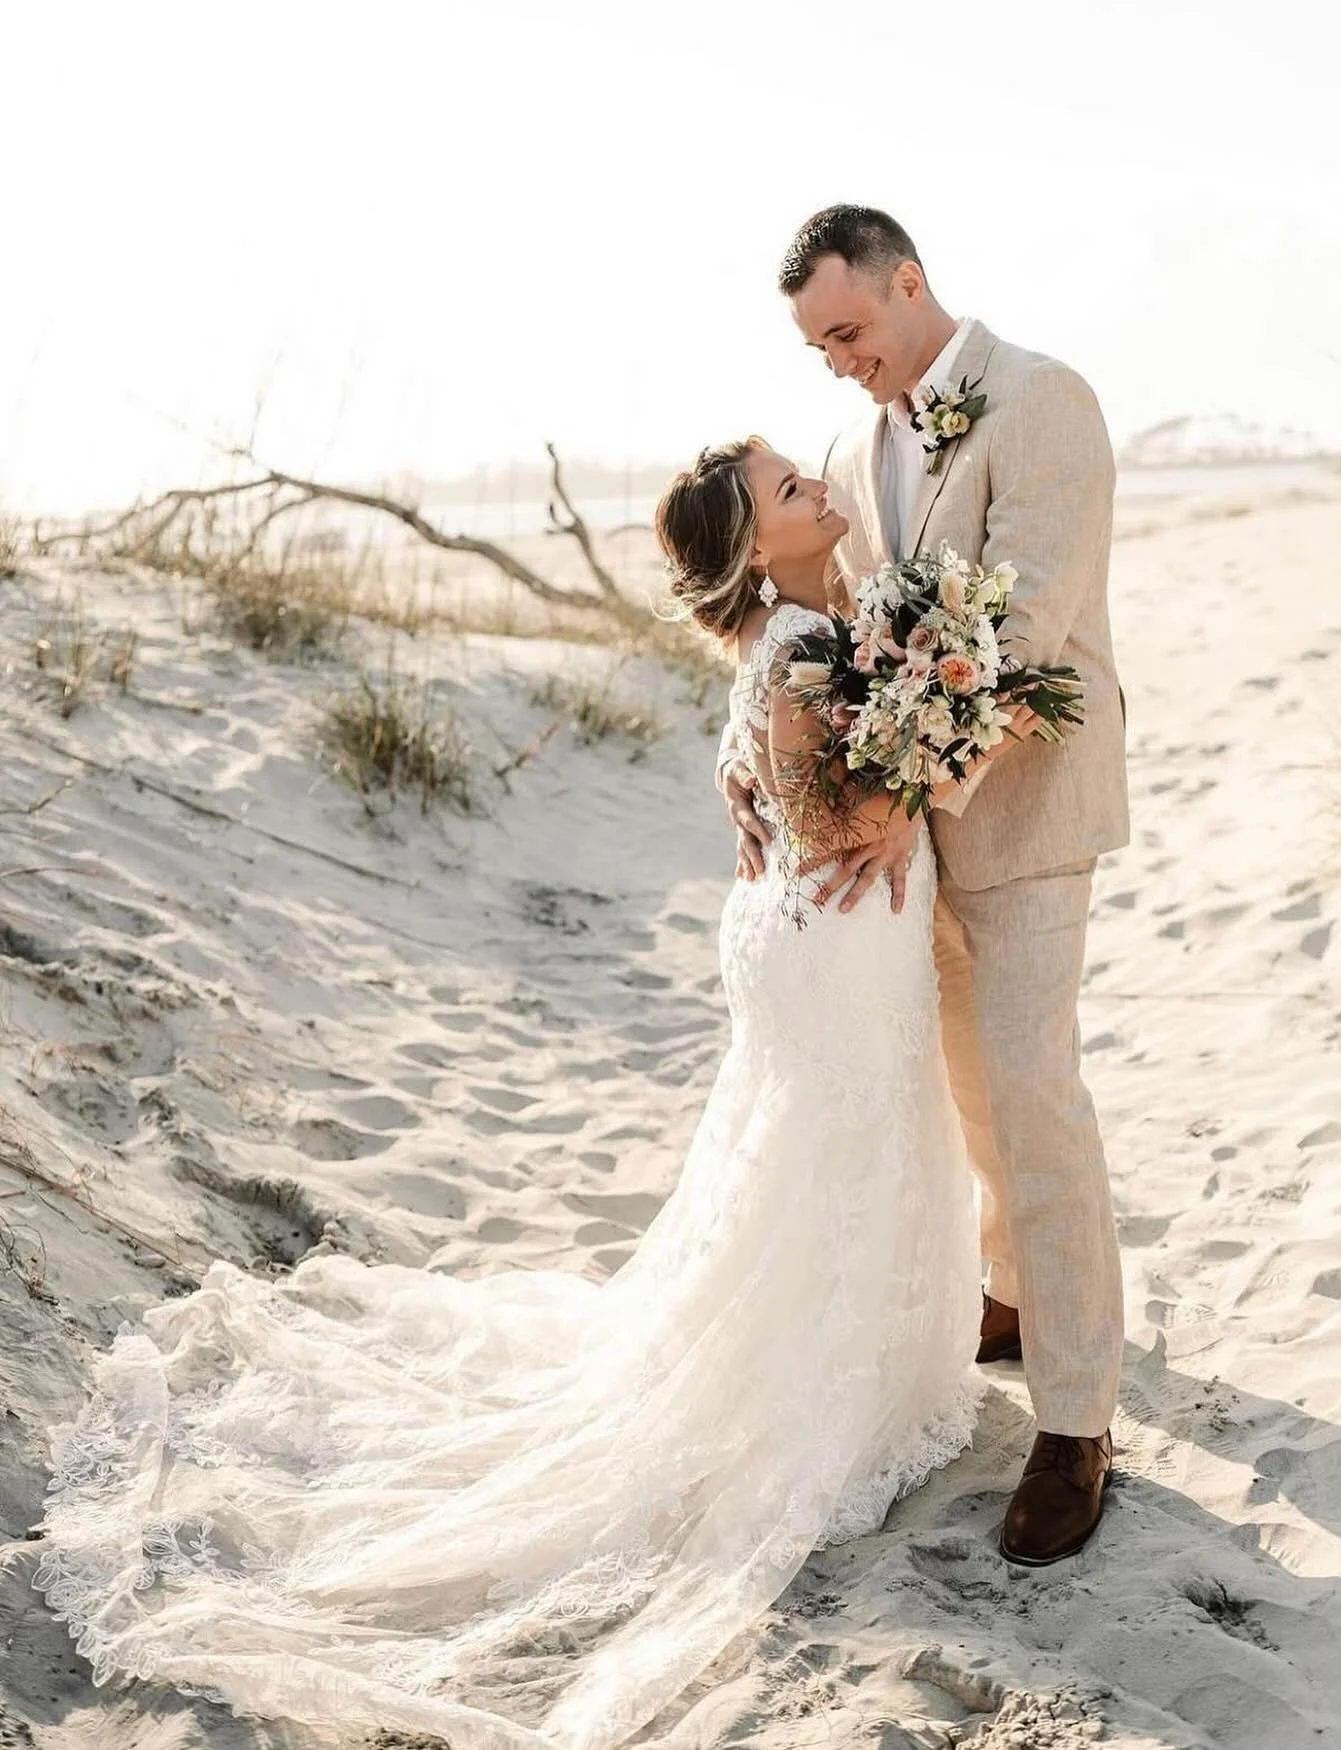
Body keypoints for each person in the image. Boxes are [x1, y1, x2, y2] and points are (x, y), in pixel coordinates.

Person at [35, 439, 1038, 1750]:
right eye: (792, 491)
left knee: (822, 1159)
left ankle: (870, 1357)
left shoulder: (802, 632)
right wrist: (970, 737)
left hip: (813, 939)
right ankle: (832, 1385)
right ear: (755, 549)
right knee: (837, 1157)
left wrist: (898, 731)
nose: (816, 490)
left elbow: (784, 779)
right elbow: (845, 825)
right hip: (831, 945)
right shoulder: (798, 650)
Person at [720, 205, 1130, 1567]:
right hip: (899, 853)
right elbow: (831, 644)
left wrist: (907, 797)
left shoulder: (1044, 400)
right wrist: (755, 760)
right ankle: (1013, 1289)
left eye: (849, 328)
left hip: (1021, 809)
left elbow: (1024, 635)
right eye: (816, 342)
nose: (837, 359)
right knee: (966, 1088)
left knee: (1032, 1086)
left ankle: (1078, 1419)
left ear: (911, 282)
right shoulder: (851, 446)